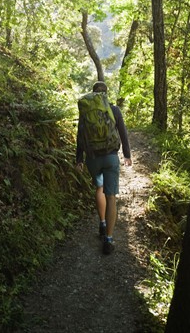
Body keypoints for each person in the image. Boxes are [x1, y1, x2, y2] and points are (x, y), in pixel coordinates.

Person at [76, 81, 132, 255]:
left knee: (99, 188)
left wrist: (79, 159)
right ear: (106, 93)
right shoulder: (113, 110)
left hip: (92, 158)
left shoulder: (86, 110)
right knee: (111, 197)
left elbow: (80, 135)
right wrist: (127, 155)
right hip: (110, 157)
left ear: (93, 93)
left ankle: (101, 222)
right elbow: (123, 133)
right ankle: (108, 238)